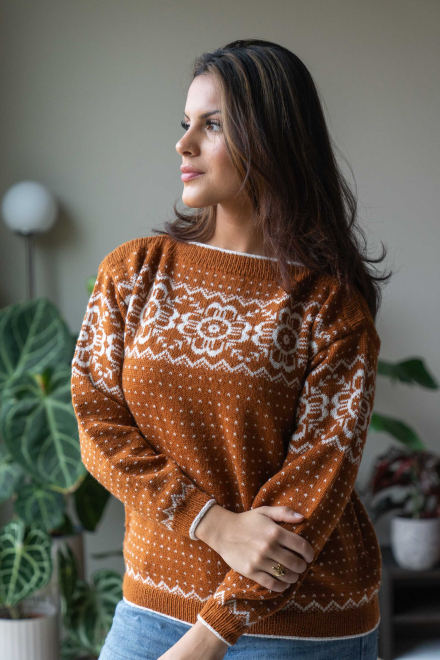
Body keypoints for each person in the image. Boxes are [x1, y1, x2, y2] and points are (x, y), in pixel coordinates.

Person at [71, 38, 391, 660]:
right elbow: (95, 422)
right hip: (150, 606)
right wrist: (210, 522)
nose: (183, 144)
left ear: (272, 138)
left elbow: (311, 495)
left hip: (300, 626)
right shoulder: (134, 272)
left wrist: (210, 635)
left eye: (212, 125)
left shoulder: (331, 309)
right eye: (185, 123)